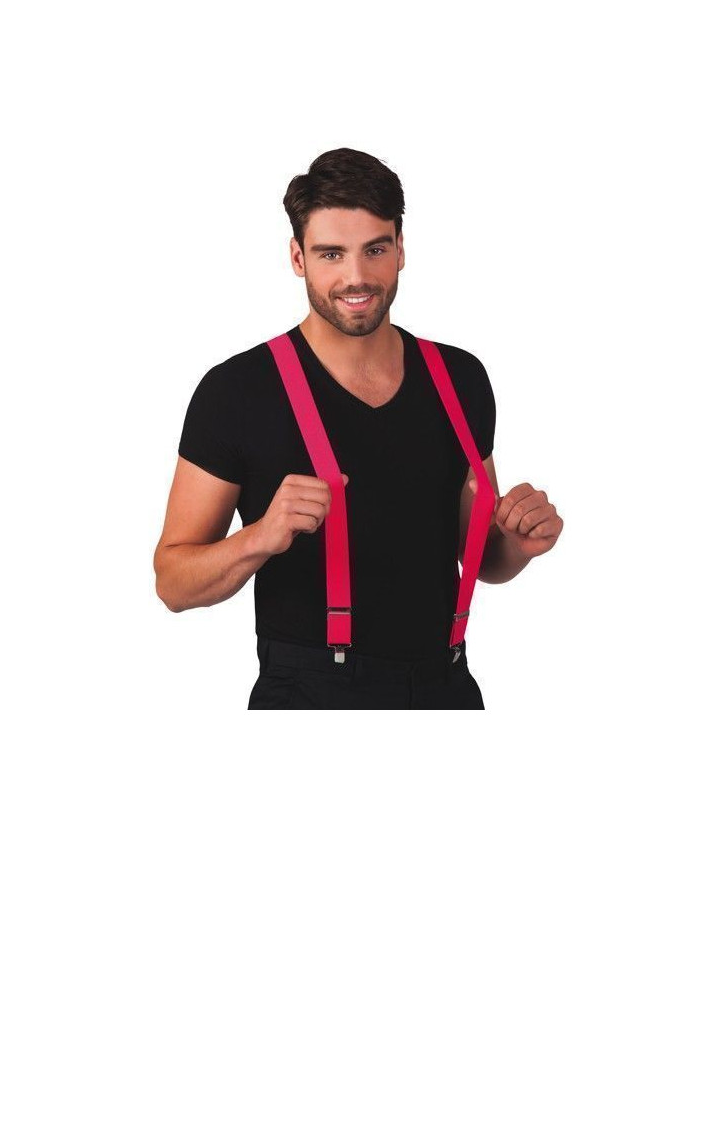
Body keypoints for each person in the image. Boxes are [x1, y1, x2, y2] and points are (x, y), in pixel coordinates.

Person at [153, 148, 563, 708]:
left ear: (401, 249)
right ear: (297, 257)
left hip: (446, 686)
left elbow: (483, 557)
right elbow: (172, 583)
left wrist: (518, 542)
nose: (357, 277)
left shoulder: (460, 378)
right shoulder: (236, 391)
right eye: (331, 254)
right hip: (308, 694)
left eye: (375, 249)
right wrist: (259, 537)